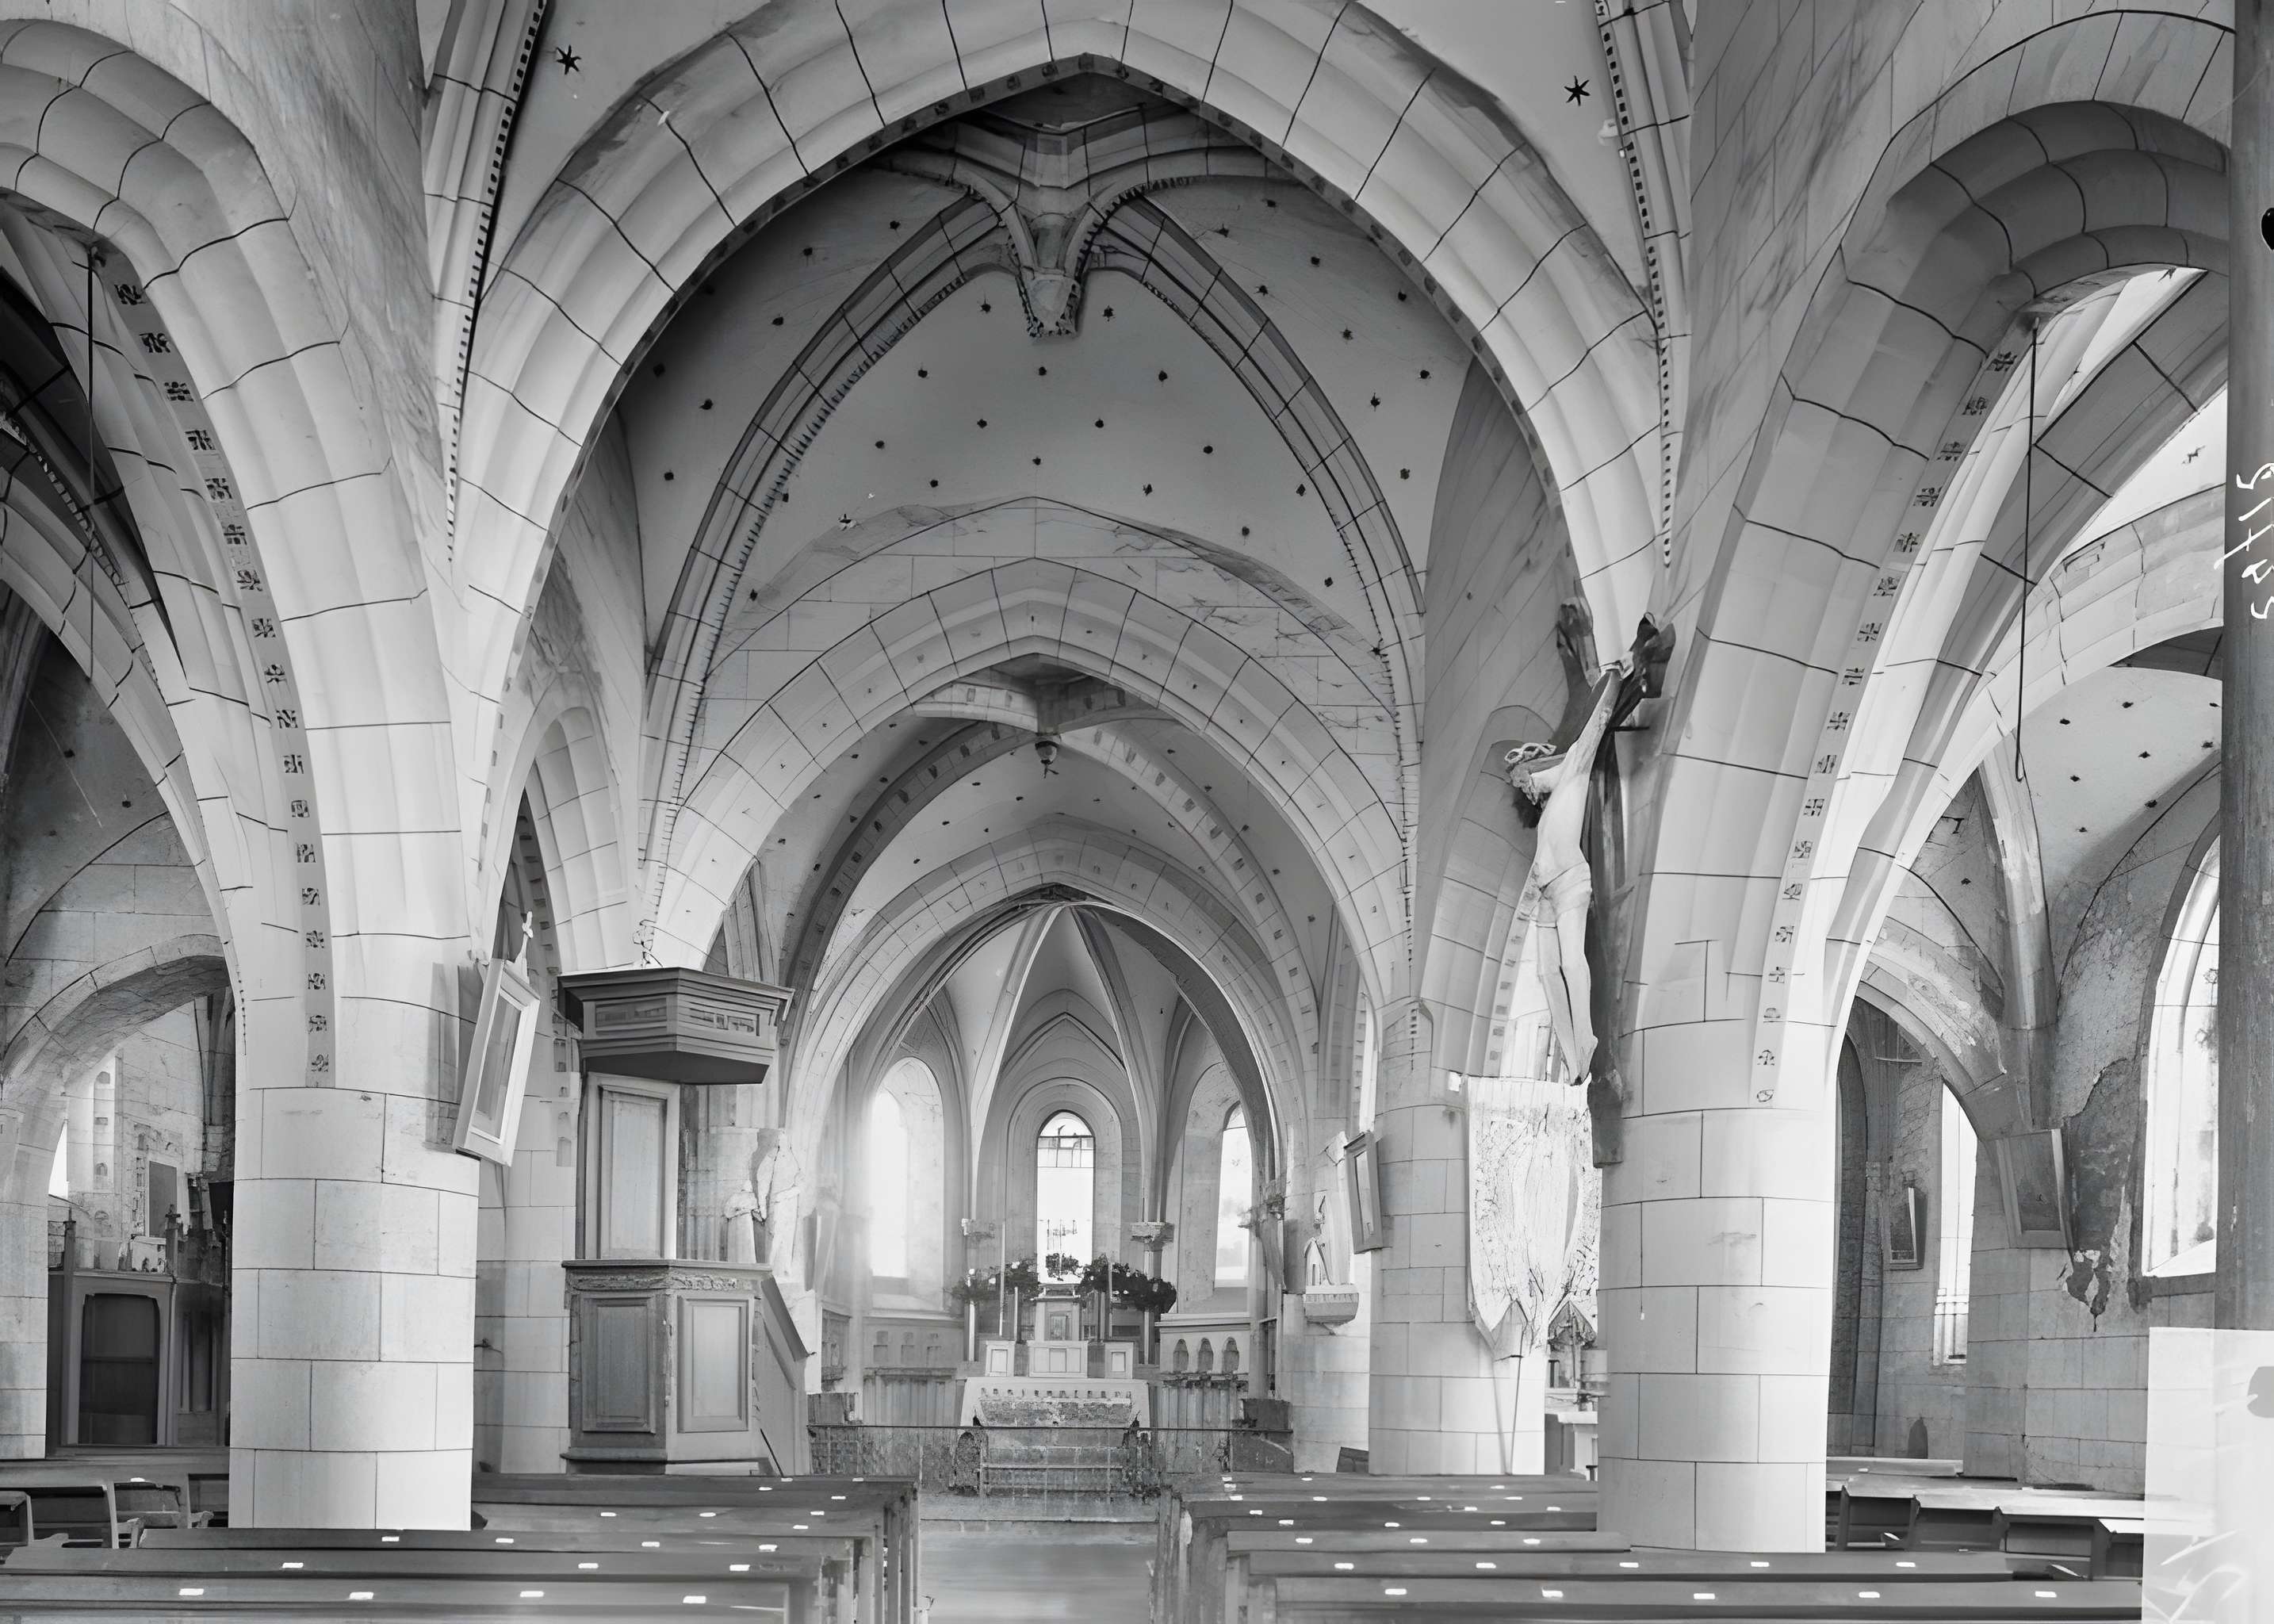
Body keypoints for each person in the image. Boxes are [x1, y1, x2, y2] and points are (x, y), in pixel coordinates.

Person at [1506, 663, 1625, 1082]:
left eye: (1524, 779)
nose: (1525, 789)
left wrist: (1612, 681)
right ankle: (1574, 1059)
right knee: (1544, 971)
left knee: (1572, 962)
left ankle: (1586, 1037)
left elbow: (1595, 727)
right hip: (1546, 892)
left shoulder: (1573, 772)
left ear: (1537, 767)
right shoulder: (1548, 808)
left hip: (1572, 881)